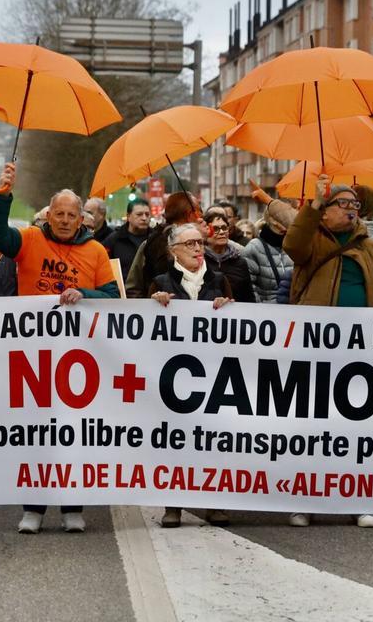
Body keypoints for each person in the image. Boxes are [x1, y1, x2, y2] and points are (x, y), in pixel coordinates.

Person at [0, 162, 117, 533]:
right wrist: (2, 196)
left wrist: (85, 294)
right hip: (34, 353)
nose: (64, 220)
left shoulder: (96, 251)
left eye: (71, 215)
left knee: (75, 433)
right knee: (37, 433)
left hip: (79, 357)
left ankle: (72, 507)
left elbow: (112, 295)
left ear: (82, 219)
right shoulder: (29, 239)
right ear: (48, 214)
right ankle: (34, 508)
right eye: (59, 213)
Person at [283, 176, 373, 529]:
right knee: (312, 427)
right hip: (315, 350)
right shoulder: (312, 242)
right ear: (325, 211)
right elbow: (292, 244)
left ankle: (358, 499)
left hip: (360, 353)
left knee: (355, 428)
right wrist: (314, 204)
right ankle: (304, 500)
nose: (351, 210)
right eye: (342, 204)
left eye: (355, 205)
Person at [149, 223, 233, 529]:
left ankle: (215, 504)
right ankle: (173, 505)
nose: (198, 249)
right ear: (174, 250)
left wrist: (228, 307)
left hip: (213, 373)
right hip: (175, 376)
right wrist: (154, 304)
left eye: (200, 242)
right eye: (190, 244)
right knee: (175, 441)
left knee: (214, 441)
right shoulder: (161, 281)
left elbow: (242, 320)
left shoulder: (219, 279)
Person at [126, 192, 203, 298]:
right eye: (199, 211)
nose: (201, 217)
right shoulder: (151, 244)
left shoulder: (150, 242)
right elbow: (134, 288)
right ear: (189, 215)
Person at [242, 200, 295, 304]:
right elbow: (249, 288)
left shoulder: (295, 246)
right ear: (272, 219)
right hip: (265, 311)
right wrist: (263, 308)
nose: (291, 218)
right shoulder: (254, 247)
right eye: (287, 214)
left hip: (295, 310)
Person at [202, 209, 255, 303]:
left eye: (224, 228)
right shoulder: (199, 261)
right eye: (215, 229)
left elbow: (249, 299)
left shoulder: (240, 262)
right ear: (205, 232)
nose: (222, 232)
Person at [103, 200, 152, 273]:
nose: (144, 218)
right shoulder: (114, 239)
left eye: (147, 214)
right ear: (128, 216)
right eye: (139, 214)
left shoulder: (156, 239)